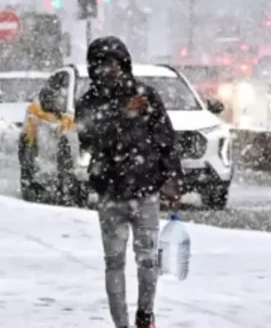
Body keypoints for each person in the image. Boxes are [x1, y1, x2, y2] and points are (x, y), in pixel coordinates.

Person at [75, 36, 182, 328]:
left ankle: (145, 314)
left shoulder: (145, 95)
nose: (110, 71)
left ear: (124, 64)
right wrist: (122, 116)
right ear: (94, 68)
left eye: (115, 64)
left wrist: (172, 177)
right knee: (114, 262)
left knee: (148, 261)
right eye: (103, 65)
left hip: (145, 191)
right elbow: (89, 139)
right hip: (110, 193)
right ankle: (120, 324)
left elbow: (166, 140)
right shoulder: (88, 103)